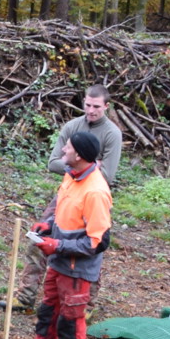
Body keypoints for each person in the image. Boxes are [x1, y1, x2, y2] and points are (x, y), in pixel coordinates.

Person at [11, 130, 113, 339]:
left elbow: (97, 241)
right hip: (58, 264)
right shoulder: (72, 176)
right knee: (47, 316)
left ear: (78, 155)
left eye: (67, 148)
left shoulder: (96, 192)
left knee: (70, 326)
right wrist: (47, 226)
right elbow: (62, 212)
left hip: (76, 272)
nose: (63, 151)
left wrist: (56, 245)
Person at [10, 86, 124, 310]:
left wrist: (84, 167)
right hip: (68, 189)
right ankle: (25, 295)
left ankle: (87, 305)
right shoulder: (73, 126)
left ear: (106, 107)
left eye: (96, 107)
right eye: (88, 105)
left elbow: (107, 175)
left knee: (92, 246)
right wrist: (83, 165)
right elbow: (53, 162)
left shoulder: (112, 134)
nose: (91, 111)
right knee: (39, 236)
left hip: (92, 196)